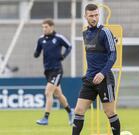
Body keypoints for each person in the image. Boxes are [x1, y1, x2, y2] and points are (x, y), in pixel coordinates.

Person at [72, 4, 120, 135]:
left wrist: (102, 73)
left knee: (109, 112)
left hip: (105, 78)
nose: (94, 18)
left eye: (96, 15)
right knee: (79, 110)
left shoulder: (105, 32)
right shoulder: (85, 33)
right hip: (89, 79)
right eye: (91, 15)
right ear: (85, 16)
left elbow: (113, 55)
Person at [34, 19, 73, 125]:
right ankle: (70, 112)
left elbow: (69, 46)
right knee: (58, 95)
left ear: (52, 27)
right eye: (43, 27)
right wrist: (36, 53)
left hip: (57, 70)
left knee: (48, 92)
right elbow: (37, 51)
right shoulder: (41, 39)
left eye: (46, 27)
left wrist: (63, 56)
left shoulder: (59, 38)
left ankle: (45, 118)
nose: (44, 29)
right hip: (47, 70)